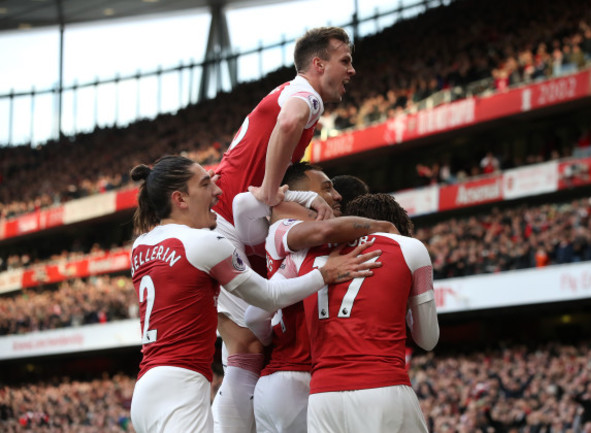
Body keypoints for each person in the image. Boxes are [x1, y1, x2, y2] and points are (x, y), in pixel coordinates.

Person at [127, 155, 380, 433]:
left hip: (146, 387)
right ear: (180, 199)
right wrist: (325, 274)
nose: (218, 191)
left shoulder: (141, 245)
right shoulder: (205, 243)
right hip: (180, 389)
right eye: (205, 184)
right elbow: (269, 298)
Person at [211, 26, 356, 433]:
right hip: (227, 220)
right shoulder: (305, 96)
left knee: (255, 342)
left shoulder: (296, 94)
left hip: (238, 217)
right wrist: (273, 190)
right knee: (247, 346)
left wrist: (295, 199)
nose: (352, 70)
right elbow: (288, 124)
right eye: (345, 60)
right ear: (318, 64)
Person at [236, 162, 396, 433]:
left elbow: (255, 315)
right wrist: (385, 227)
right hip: (300, 377)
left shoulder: (303, 253)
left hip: (280, 380)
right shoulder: (284, 228)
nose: (336, 196)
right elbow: (326, 230)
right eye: (326, 188)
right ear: (303, 195)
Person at [272, 193, 440, 433]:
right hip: (384, 386)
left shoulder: (303, 254)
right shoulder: (410, 247)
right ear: (398, 226)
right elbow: (428, 338)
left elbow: (261, 307)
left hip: (322, 396)